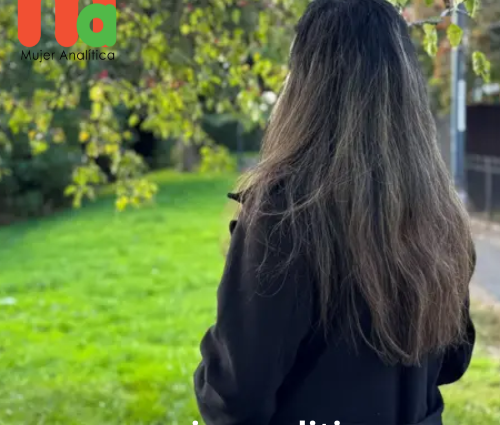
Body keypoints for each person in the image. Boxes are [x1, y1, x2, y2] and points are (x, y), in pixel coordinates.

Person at [193, 0, 477, 424]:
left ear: (306, 86)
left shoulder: (286, 212)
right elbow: (452, 361)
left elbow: (236, 395)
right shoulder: (440, 211)